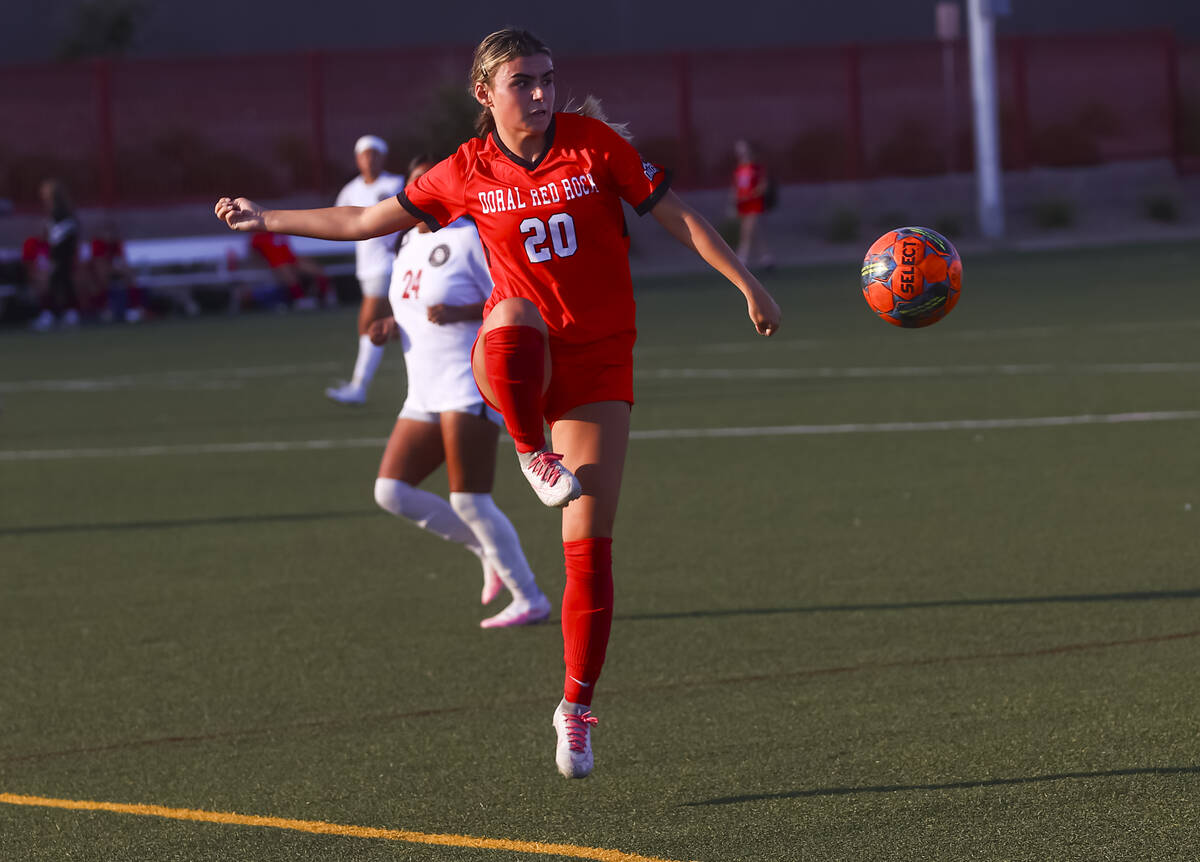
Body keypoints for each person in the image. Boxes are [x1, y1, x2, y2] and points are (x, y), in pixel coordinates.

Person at [215, 27, 780, 780]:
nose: (542, 93)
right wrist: (270, 219)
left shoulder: (592, 145)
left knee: (589, 543)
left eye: (548, 78)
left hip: (599, 363)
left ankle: (576, 708)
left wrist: (747, 282)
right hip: (519, 356)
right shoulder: (464, 171)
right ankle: (529, 449)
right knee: (511, 315)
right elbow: (362, 222)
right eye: (524, 82)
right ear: (485, 94)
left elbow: (675, 214)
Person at [367, 155, 550, 629]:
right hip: (422, 389)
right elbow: (411, 304)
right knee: (391, 491)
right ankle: (481, 547)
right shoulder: (406, 241)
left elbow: (517, 302)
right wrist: (389, 324)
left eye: (424, 186)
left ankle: (530, 596)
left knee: (470, 498)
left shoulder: (472, 237)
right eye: (410, 187)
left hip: (468, 384)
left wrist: (462, 312)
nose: (413, 196)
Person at [326, 135, 407, 406]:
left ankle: (359, 387)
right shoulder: (350, 190)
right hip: (367, 267)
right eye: (364, 154)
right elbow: (338, 222)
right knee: (401, 325)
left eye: (374, 154)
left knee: (369, 323)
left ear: (382, 157)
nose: (369, 159)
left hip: (390, 264)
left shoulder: (395, 183)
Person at [30, 179, 83, 332]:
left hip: (62, 255)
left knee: (58, 282)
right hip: (59, 254)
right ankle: (64, 312)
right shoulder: (54, 212)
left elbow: (61, 237)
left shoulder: (62, 213)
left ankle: (54, 314)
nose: (42, 195)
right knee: (60, 282)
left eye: (45, 192)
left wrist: (54, 256)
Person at [247, 231, 333, 310]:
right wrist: (264, 265)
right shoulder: (257, 236)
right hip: (277, 263)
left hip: (292, 260)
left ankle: (323, 298)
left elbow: (289, 251)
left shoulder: (277, 230)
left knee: (317, 271)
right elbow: (255, 255)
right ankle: (301, 300)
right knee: (288, 274)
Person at [732, 139, 774, 270]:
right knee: (755, 231)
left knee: (748, 229)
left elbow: (763, 185)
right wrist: (735, 201)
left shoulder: (756, 168)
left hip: (754, 203)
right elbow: (736, 188)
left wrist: (752, 195)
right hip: (743, 204)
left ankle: (742, 257)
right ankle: (766, 258)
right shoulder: (739, 169)